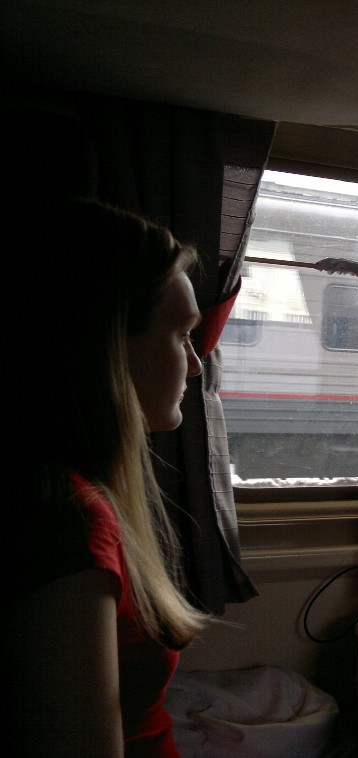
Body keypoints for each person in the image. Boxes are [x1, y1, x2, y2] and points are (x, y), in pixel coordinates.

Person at [12, 196, 210, 757]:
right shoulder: (69, 523)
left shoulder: (66, 496)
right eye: (182, 335)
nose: (196, 364)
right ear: (110, 348)